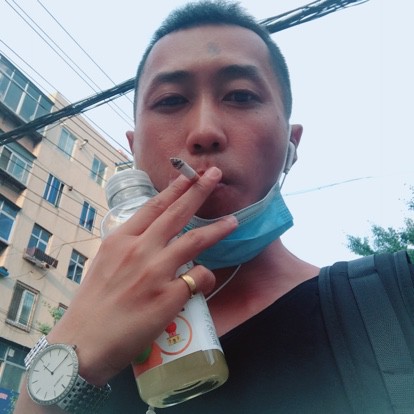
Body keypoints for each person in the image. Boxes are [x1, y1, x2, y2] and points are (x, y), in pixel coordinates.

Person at [15, 1, 414, 413]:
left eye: (241, 95)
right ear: (134, 152)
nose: (205, 131)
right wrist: (63, 364)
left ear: (291, 145)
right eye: (171, 100)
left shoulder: (393, 301)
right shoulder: (88, 358)